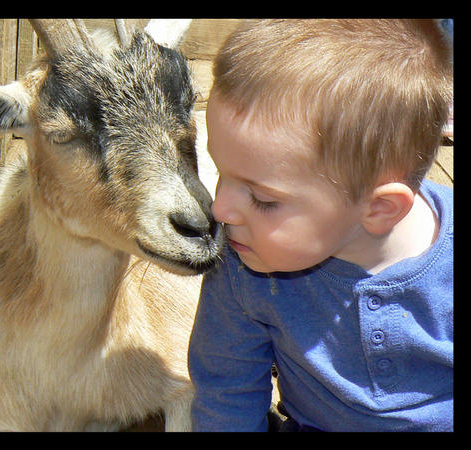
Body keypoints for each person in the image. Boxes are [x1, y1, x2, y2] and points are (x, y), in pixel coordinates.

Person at [188, 19, 453, 432]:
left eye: (263, 199)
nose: (220, 209)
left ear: (380, 209)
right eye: (221, 172)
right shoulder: (244, 260)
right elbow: (227, 391)